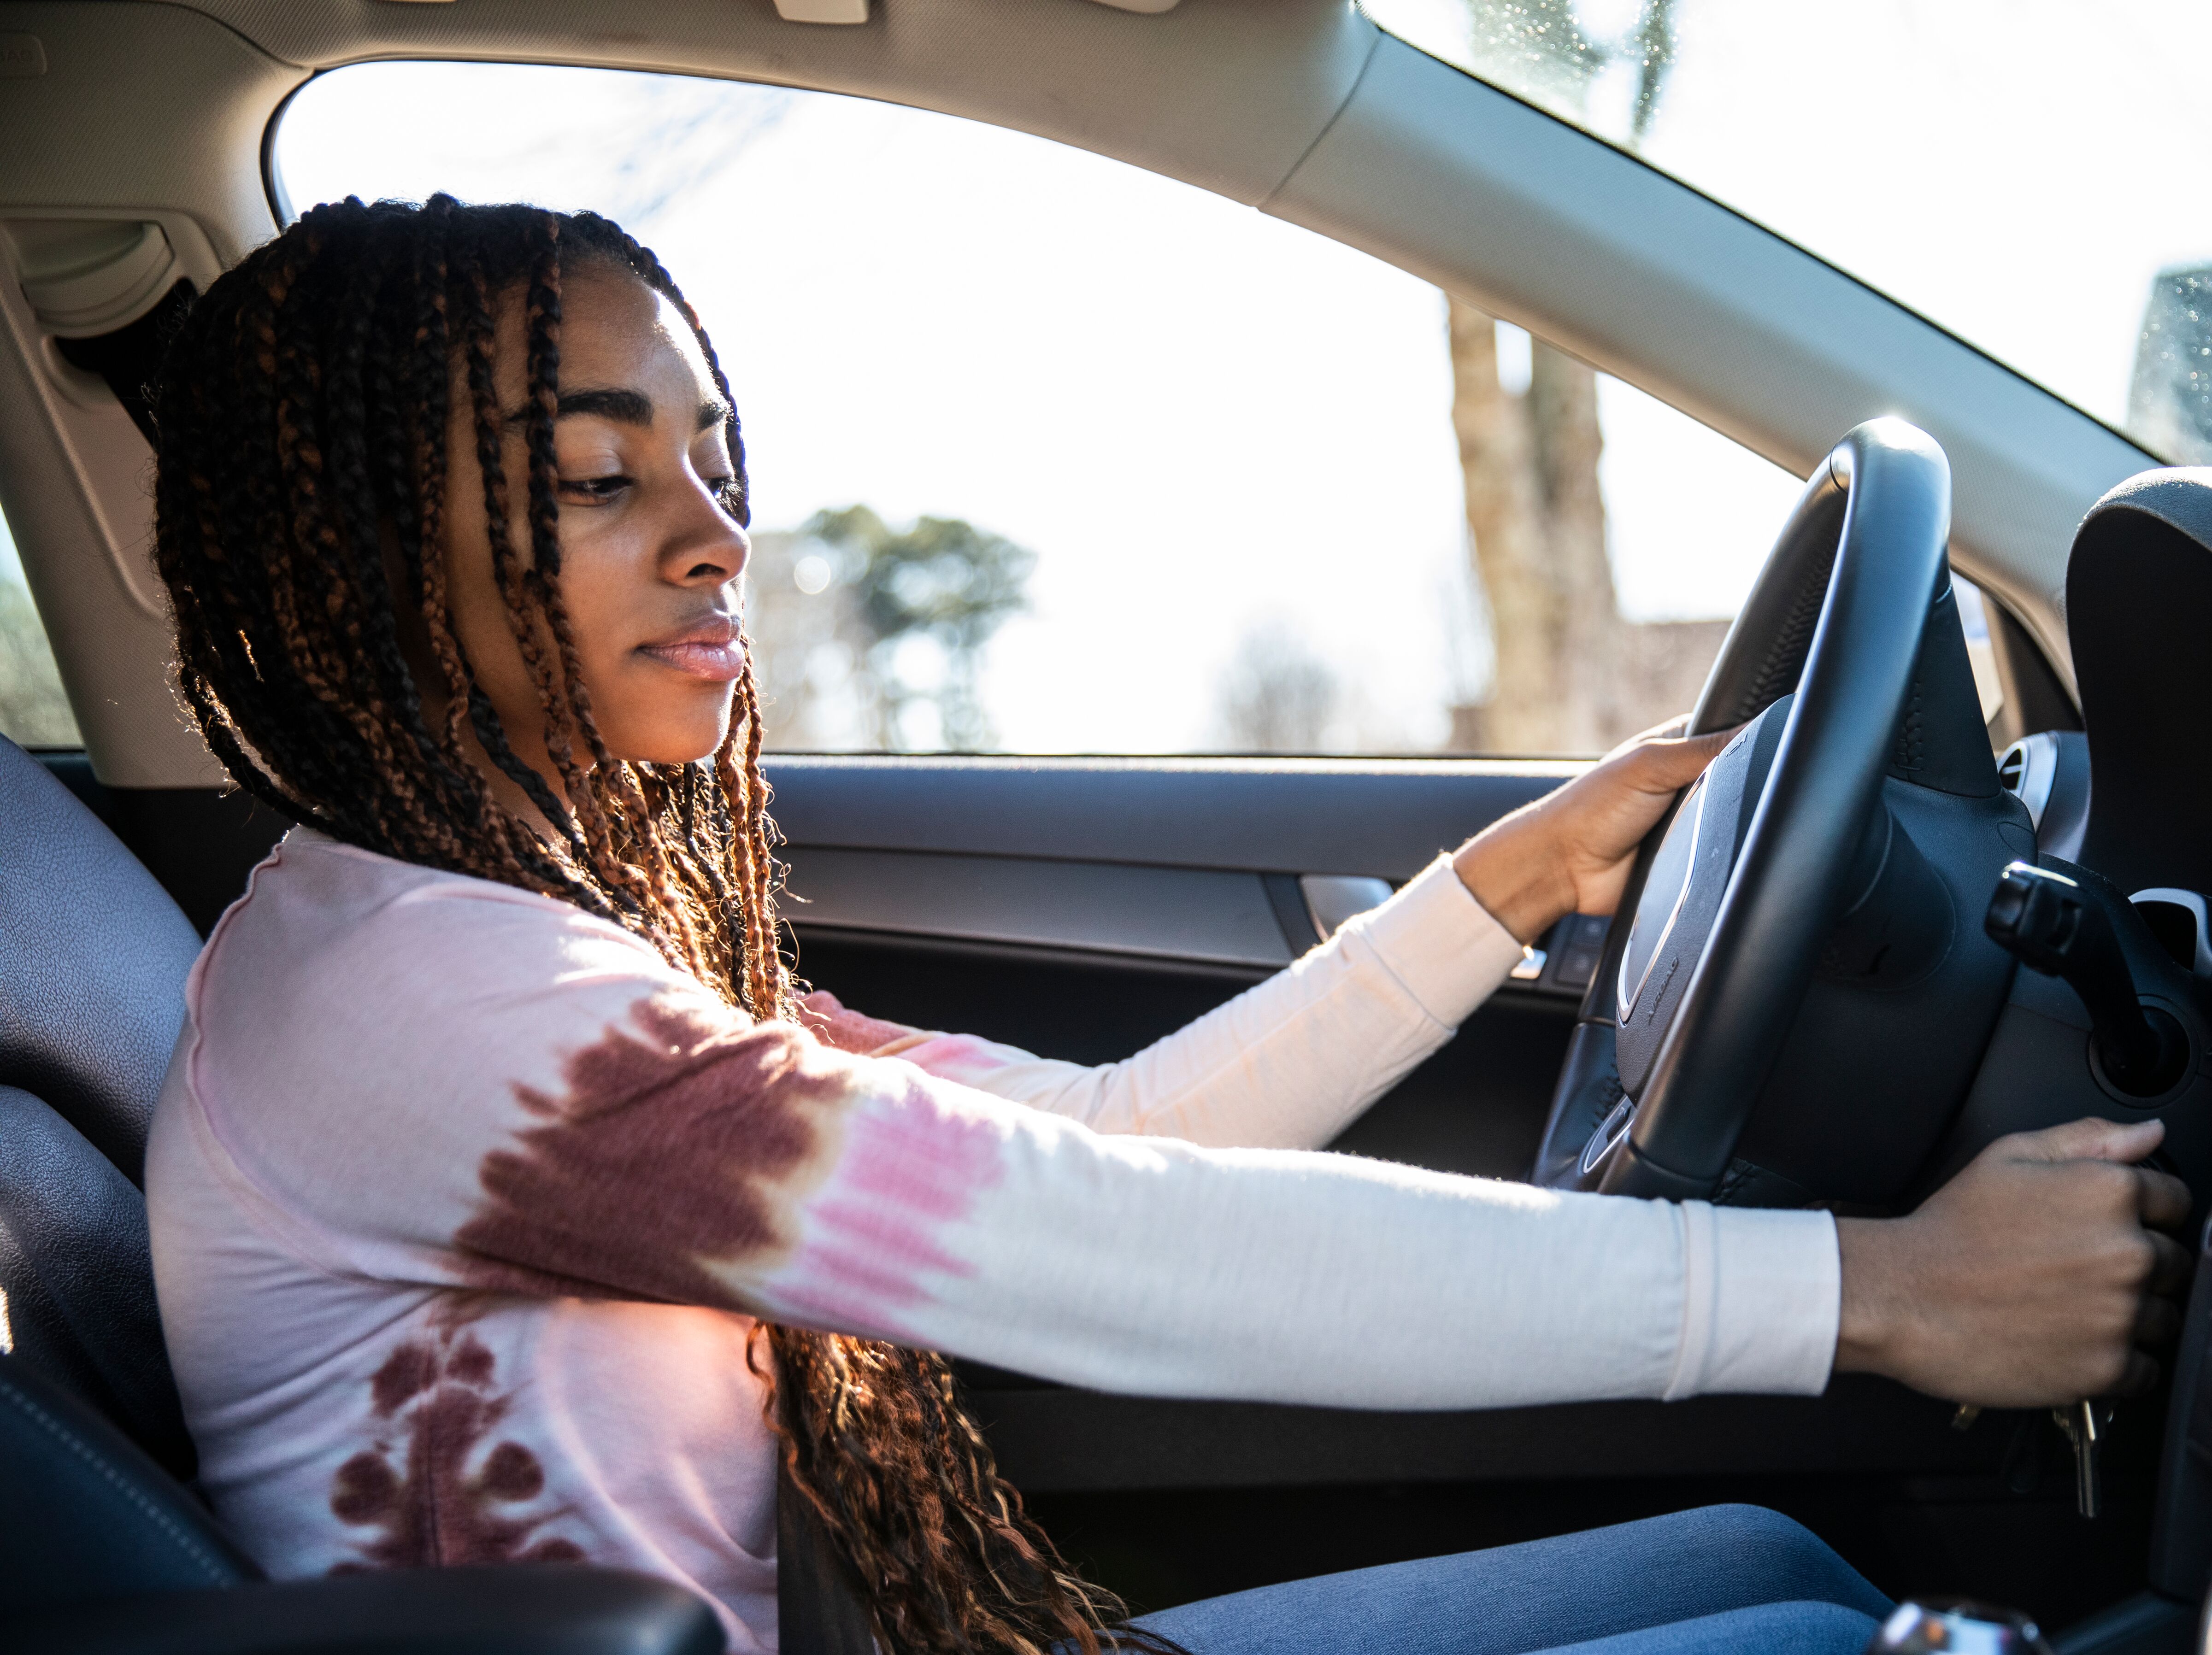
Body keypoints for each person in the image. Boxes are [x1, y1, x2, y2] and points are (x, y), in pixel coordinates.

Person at [142, 197, 2189, 1655]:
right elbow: (1109, 1247)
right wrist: (1873, 1293)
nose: (716, 530)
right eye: (598, 477)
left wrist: (1506, 885)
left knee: (1780, 1568)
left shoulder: (513, 940)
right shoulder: (429, 1001)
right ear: (356, 551)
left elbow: (1100, 1136)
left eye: (716, 456)